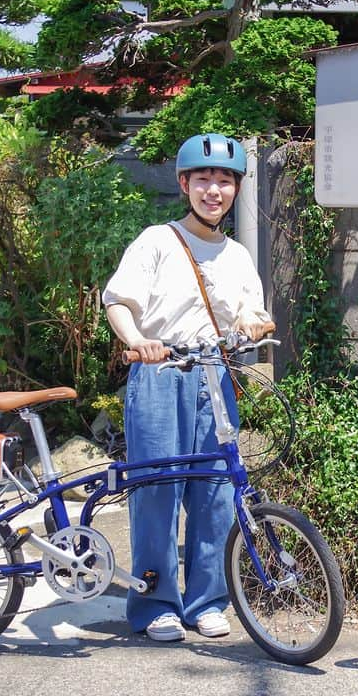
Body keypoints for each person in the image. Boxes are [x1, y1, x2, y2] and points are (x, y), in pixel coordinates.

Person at [103, 133, 271, 642]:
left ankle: (208, 600)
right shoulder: (157, 239)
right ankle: (155, 603)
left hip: (215, 376)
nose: (213, 190)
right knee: (157, 491)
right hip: (159, 376)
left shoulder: (239, 255)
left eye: (224, 180)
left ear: (236, 189)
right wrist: (138, 341)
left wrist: (255, 325)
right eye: (203, 180)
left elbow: (251, 313)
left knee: (216, 492)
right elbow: (118, 302)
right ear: (184, 184)